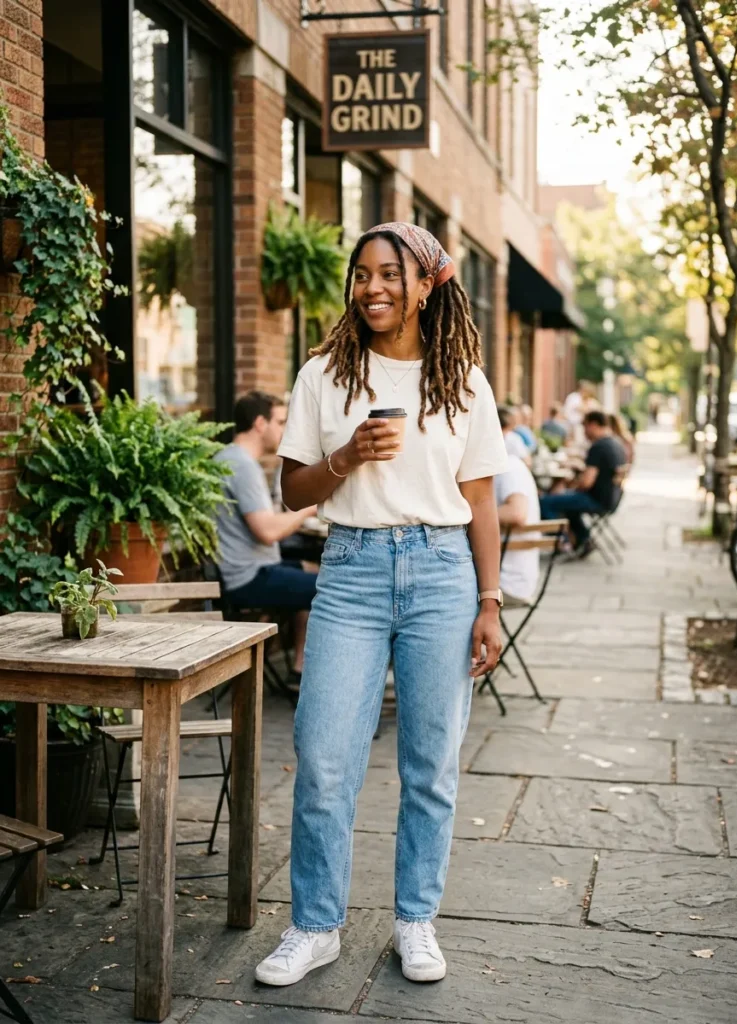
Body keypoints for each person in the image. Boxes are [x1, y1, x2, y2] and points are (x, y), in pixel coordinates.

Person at [254, 222, 508, 988]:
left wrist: (489, 602)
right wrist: (346, 456)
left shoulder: (461, 380)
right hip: (352, 571)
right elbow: (291, 490)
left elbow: (482, 501)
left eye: (390, 274)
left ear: (426, 284)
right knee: (325, 760)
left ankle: (414, 921)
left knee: (429, 766)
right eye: (361, 274)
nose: (372, 287)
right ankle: (314, 926)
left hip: (440, 572)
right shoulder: (324, 374)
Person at [213, 391, 319, 674]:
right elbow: (268, 532)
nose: (285, 430)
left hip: (252, 567)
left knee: (315, 570)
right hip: (248, 578)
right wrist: (310, 508)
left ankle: (301, 664)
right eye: (281, 422)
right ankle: (322, 672)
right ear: (261, 423)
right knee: (334, 587)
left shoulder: (230, 458)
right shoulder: (242, 466)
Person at [538, 410, 626, 555]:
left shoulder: (598, 447)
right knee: (567, 503)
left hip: (596, 500)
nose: (584, 430)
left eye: (585, 426)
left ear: (593, 425)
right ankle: (583, 539)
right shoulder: (616, 443)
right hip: (611, 500)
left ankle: (564, 542)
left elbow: (586, 483)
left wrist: (571, 487)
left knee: (546, 502)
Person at [495, 448, 541, 603]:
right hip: (511, 578)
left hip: (507, 582)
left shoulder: (508, 467)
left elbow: (517, 513)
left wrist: (466, 515)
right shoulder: (509, 465)